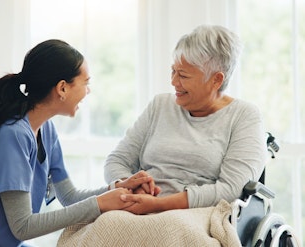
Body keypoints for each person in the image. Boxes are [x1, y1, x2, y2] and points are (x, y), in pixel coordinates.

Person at [0, 39, 155, 246]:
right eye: (85, 83)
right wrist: (101, 203)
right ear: (62, 88)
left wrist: (118, 189)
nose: (88, 91)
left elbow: (69, 197)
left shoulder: (46, 129)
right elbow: (22, 226)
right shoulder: (11, 134)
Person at [105, 25, 267, 215]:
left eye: (183, 75)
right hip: (138, 206)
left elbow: (230, 189)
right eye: (173, 71)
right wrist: (128, 185)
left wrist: (158, 204)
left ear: (216, 80)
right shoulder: (160, 105)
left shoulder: (244, 116)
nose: (174, 81)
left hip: (198, 215)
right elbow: (117, 160)